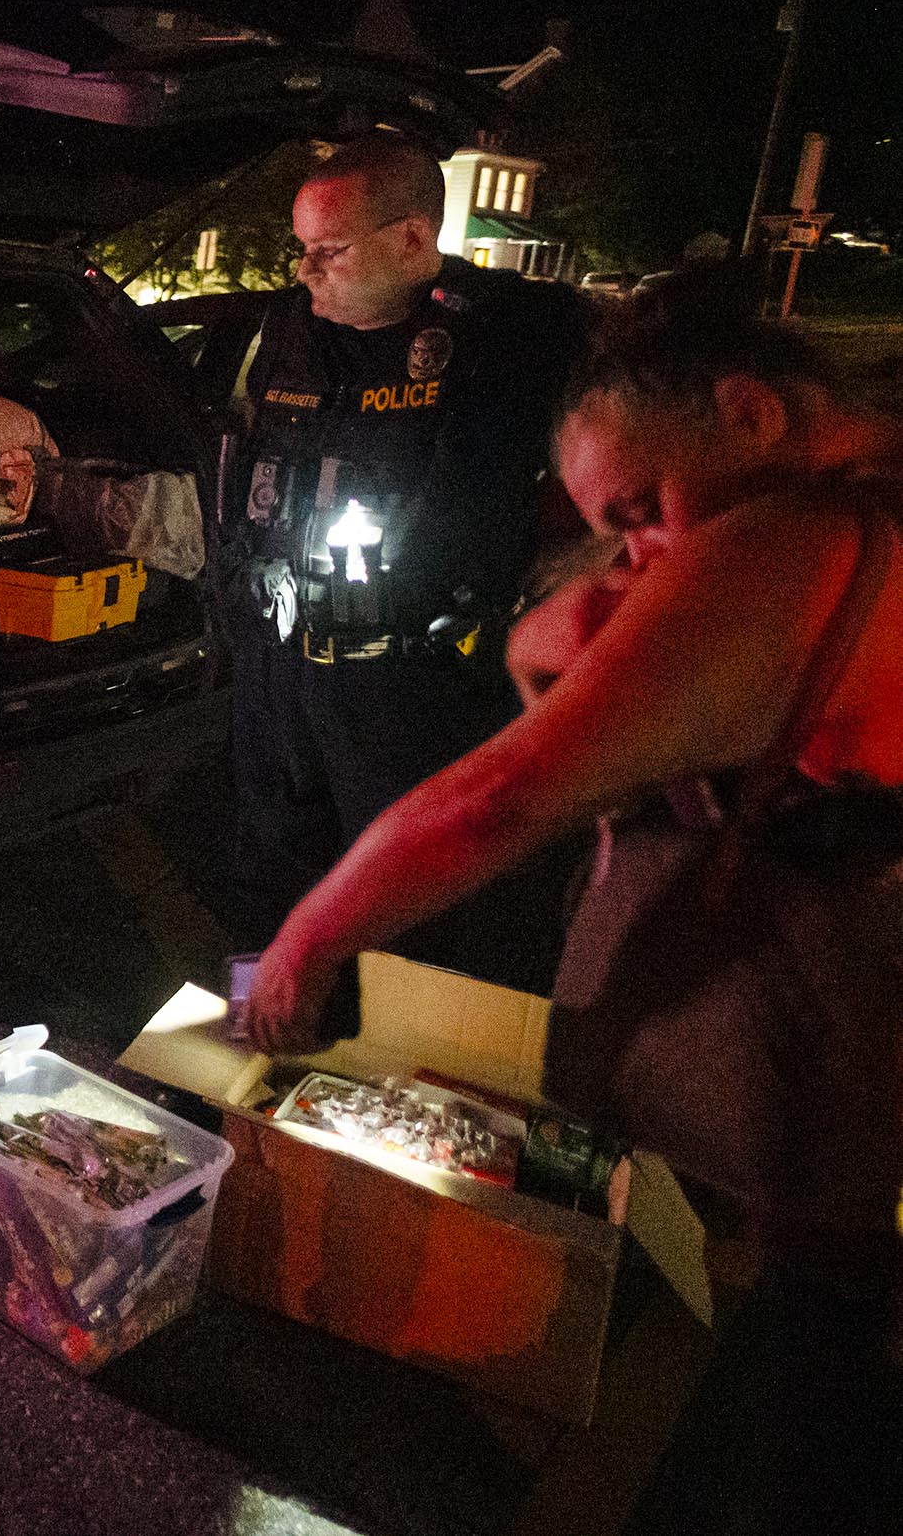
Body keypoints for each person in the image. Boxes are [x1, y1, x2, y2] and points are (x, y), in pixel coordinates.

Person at [242, 276, 903, 1530]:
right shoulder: (869, 507)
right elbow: (555, 645)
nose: (643, 551)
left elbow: (502, 796)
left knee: (807, 1431)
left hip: (821, 1103)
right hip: (864, 1100)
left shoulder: (781, 548)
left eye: (645, 509)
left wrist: (307, 942)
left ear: (749, 412)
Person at [223, 133, 590, 988]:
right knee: (263, 885)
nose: (307, 272)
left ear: (414, 241)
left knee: (413, 910)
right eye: (301, 251)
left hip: (415, 689)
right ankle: (253, 1060)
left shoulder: (514, 333)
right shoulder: (288, 327)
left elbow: (614, 477)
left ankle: (396, 1093)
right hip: (281, 667)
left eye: (331, 251)